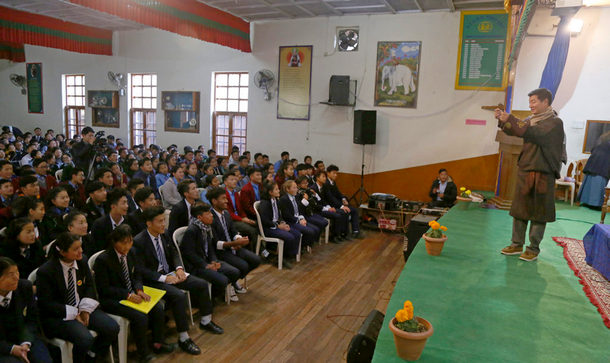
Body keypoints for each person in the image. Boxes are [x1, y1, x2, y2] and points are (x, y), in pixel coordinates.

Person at [133, 206, 222, 355]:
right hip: (154, 280)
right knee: (178, 296)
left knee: (200, 284)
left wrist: (180, 268)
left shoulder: (164, 234)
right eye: (160, 221)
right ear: (149, 223)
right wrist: (165, 278)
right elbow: (141, 270)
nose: (163, 224)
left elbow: (174, 252)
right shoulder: (139, 241)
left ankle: (206, 320)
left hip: (172, 273)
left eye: (164, 221)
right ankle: (183, 337)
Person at [495, 88, 566, 261]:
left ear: (546, 102)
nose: (531, 105)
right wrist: (504, 121)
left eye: (534, 101)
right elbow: (517, 130)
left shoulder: (555, 122)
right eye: (530, 101)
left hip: (544, 173)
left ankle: (533, 248)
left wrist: (511, 119)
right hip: (526, 169)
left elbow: (536, 134)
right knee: (520, 210)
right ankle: (516, 244)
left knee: (538, 213)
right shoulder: (530, 120)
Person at [93, 225, 173, 363]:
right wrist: (127, 295)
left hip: (131, 292)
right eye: (123, 243)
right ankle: (143, 354)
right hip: (113, 299)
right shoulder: (103, 260)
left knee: (158, 308)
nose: (127, 246)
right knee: (140, 317)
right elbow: (104, 289)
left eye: (129, 242)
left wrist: (139, 290)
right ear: (114, 242)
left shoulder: (132, 252)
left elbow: (137, 275)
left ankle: (158, 343)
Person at [36, 232, 119, 362]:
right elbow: (46, 304)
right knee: (85, 339)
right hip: (60, 315)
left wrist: (85, 309)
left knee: (112, 328)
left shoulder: (82, 261)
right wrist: (74, 313)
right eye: (75, 249)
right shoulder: (46, 272)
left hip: (82, 307)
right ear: (63, 252)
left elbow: (90, 286)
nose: (81, 251)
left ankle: (93, 355)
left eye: (80, 247)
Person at [180, 203, 242, 302]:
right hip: (197, 266)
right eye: (208, 213)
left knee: (234, 271)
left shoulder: (206, 227)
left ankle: (222, 291)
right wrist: (205, 265)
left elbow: (210, 247)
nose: (212, 215)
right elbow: (189, 254)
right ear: (199, 217)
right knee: (223, 280)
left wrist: (213, 260)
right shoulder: (192, 231)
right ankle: (213, 297)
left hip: (209, 261)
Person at [0, 257, 53, 363]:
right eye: (11, 275)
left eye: (17, 272)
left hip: (25, 337)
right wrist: (12, 349)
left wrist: (26, 342)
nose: (16, 278)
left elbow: (32, 320)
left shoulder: (24, 287)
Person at [206, 187, 261, 283]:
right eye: (223, 198)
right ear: (214, 201)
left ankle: (233, 281)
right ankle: (232, 283)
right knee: (243, 265)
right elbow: (215, 243)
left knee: (256, 260)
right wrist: (234, 243)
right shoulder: (210, 218)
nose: (226, 201)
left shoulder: (226, 214)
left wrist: (239, 239)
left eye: (226, 198)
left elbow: (233, 231)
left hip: (232, 246)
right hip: (221, 252)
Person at [257, 182, 302, 268]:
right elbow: (265, 220)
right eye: (276, 189)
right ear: (270, 192)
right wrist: (278, 226)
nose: (279, 191)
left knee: (297, 234)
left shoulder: (275, 200)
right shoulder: (265, 203)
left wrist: (282, 223)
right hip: (268, 228)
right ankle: (281, 258)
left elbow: (279, 216)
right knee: (289, 237)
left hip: (276, 225)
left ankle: (289, 255)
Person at [91, 188, 134, 254]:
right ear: (113, 206)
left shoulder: (130, 221)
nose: (127, 206)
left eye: (127, 203)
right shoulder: (99, 224)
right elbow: (98, 250)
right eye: (123, 203)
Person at [279, 180, 320, 249]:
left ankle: (304, 245)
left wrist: (302, 218)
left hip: (298, 219)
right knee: (310, 231)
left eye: (296, 187)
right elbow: (287, 215)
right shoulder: (284, 199)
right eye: (294, 188)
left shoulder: (296, 197)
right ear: (287, 189)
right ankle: (300, 247)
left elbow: (299, 210)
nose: (296, 189)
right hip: (291, 221)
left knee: (316, 229)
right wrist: (298, 221)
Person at [312, 170, 348, 243]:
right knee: (337, 216)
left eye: (325, 177)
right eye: (323, 176)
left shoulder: (325, 186)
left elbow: (329, 198)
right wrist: (328, 209)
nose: (325, 178)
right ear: (317, 178)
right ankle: (334, 236)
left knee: (344, 212)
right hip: (318, 210)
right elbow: (315, 204)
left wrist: (331, 207)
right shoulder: (313, 188)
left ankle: (341, 234)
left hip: (325, 207)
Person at [325, 165, 361, 239]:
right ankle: (342, 233)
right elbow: (330, 198)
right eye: (333, 173)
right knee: (345, 211)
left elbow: (339, 193)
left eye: (336, 173)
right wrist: (341, 206)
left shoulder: (333, 182)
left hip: (337, 203)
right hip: (331, 205)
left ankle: (355, 231)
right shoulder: (326, 183)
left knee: (354, 210)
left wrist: (343, 198)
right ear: (328, 173)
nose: (336, 175)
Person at [223, 173, 259, 244]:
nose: (235, 181)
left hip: (240, 218)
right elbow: (228, 213)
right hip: (232, 220)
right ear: (225, 182)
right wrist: (242, 219)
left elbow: (241, 209)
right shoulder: (223, 194)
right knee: (252, 230)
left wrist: (245, 217)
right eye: (232, 180)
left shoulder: (235, 193)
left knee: (259, 224)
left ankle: (256, 248)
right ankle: (261, 251)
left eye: (235, 179)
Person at [577, 131, 610, 208]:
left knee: (589, 182)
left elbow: (593, 149)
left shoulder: (603, 137)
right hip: (603, 164)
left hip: (593, 161)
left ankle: (585, 201)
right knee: (599, 183)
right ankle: (595, 204)